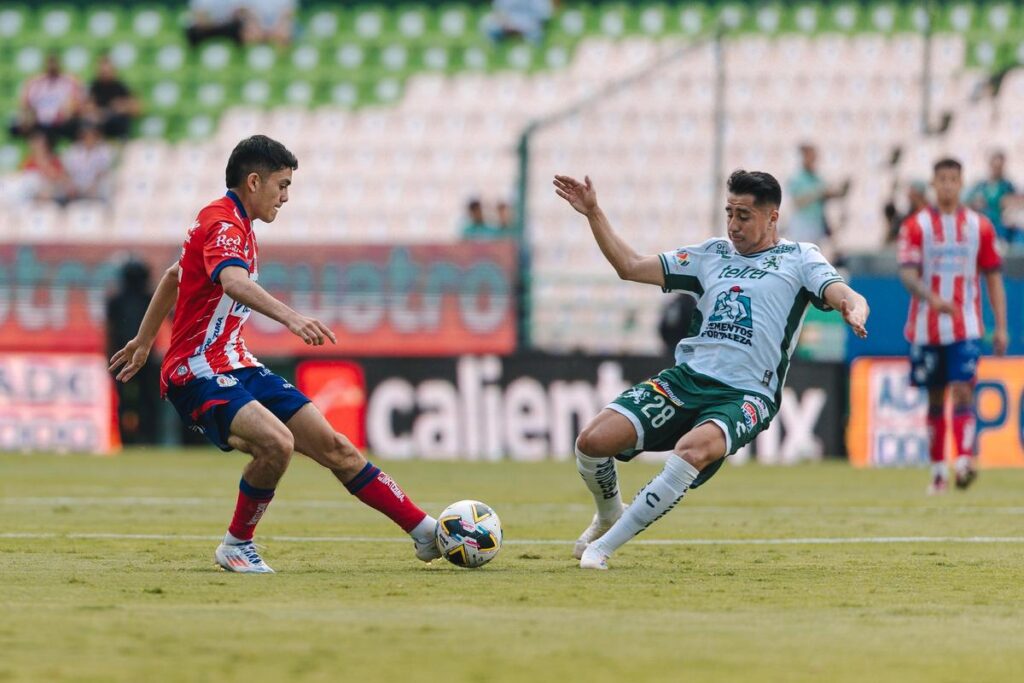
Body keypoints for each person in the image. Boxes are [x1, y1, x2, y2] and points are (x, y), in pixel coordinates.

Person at [109, 135, 440, 573]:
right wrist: (291, 318)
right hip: (197, 372)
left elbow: (174, 274)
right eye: (281, 186)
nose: (285, 197)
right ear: (253, 182)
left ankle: (426, 533)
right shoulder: (223, 225)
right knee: (277, 444)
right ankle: (236, 545)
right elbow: (233, 282)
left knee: (337, 448)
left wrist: (146, 339)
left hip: (237, 364)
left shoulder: (235, 223)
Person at [553, 170, 869, 570]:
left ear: (773, 217)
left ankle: (603, 548)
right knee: (592, 442)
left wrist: (853, 307)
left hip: (746, 394)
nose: (733, 225)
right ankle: (609, 512)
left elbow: (843, 293)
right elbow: (630, 266)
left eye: (744, 216)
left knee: (693, 450)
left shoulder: (800, 258)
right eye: (729, 213)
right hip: (686, 380)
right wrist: (594, 212)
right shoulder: (711, 255)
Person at [897, 157, 1008, 494]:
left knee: (963, 390)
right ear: (933, 183)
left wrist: (1000, 325)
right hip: (926, 327)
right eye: (941, 179)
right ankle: (937, 471)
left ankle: (962, 461)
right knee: (934, 399)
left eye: (953, 179)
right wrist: (933, 300)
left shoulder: (980, 226)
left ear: (961, 183)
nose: (947, 185)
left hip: (967, 325)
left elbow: (993, 277)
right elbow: (907, 274)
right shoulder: (916, 226)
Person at [106, 259, 160, 445]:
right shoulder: (149, 299)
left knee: (128, 401)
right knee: (147, 400)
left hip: (121, 356)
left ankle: (127, 439)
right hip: (145, 357)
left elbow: (111, 331)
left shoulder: (116, 300)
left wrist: (109, 356)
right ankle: (148, 438)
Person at [9, 51, 83, 144]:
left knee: (77, 125)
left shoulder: (69, 81)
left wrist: (66, 113)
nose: (52, 66)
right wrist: (30, 116)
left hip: (61, 122)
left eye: (54, 63)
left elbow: (77, 104)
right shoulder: (35, 83)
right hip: (39, 121)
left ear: (59, 64)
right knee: (16, 126)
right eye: (50, 63)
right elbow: (26, 105)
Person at [786, 143, 850, 247]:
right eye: (810, 157)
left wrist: (842, 190)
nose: (813, 160)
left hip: (817, 223)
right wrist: (818, 192)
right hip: (803, 223)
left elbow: (829, 194)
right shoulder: (796, 178)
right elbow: (797, 201)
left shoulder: (817, 177)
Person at [966, 150, 1017, 246]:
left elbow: (1015, 205)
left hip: (1002, 229)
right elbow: (967, 203)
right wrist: (975, 204)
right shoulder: (981, 186)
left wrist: (1010, 205)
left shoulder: (1008, 186)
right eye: (995, 166)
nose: (997, 169)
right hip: (982, 228)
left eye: (1000, 167)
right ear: (990, 165)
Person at [85, 54, 141, 140]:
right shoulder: (93, 86)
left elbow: (137, 109)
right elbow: (85, 107)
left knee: (122, 120)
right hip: (99, 122)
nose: (105, 74)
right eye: (102, 71)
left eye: (107, 71)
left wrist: (123, 107)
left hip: (116, 121)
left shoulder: (121, 86)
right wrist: (98, 112)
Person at [61, 122, 116, 202]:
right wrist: (70, 185)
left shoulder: (103, 151)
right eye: (86, 136)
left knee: (105, 188)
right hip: (76, 187)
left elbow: (103, 172)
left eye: (92, 136)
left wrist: (94, 186)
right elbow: (67, 172)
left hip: (96, 187)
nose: (89, 139)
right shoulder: (74, 151)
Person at [883, 179, 929, 245]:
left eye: (911, 191)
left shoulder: (932, 214)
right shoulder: (905, 217)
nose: (908, 195)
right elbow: (891, 239)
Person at [485, 0, 554, 43]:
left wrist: (521, 29)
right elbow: (498, 11)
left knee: (536, 34)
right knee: (490, 25)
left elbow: (543, 16)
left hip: (528, 28)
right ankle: (495, 53)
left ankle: (533, 55)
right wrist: (507, 25)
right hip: (507, 25)